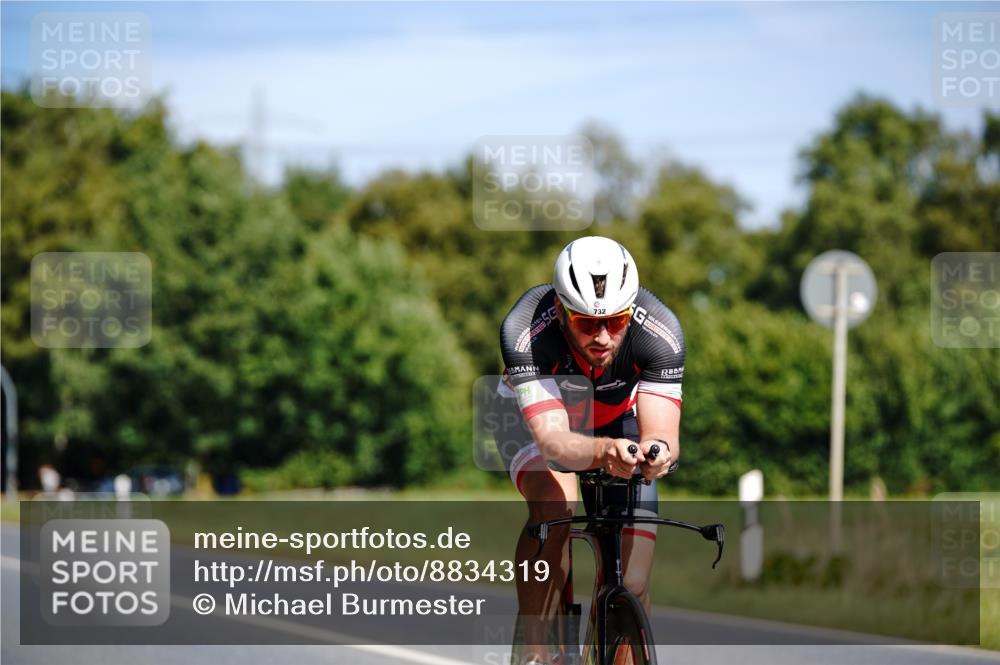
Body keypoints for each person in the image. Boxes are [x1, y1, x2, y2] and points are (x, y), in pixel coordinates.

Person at [495, 236, 685, 665]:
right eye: (585, 323)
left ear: (630, 312)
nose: (601, 336)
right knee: (554, 505)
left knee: (632, 582)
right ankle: (538, 650)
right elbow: (555, 442)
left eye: (615, 323)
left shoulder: (660, 331)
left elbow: (663, 434)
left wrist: (656, 455)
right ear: (561, 311)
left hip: (618, 419)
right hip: (539, 419)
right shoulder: (525, 329)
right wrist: (605, 453)